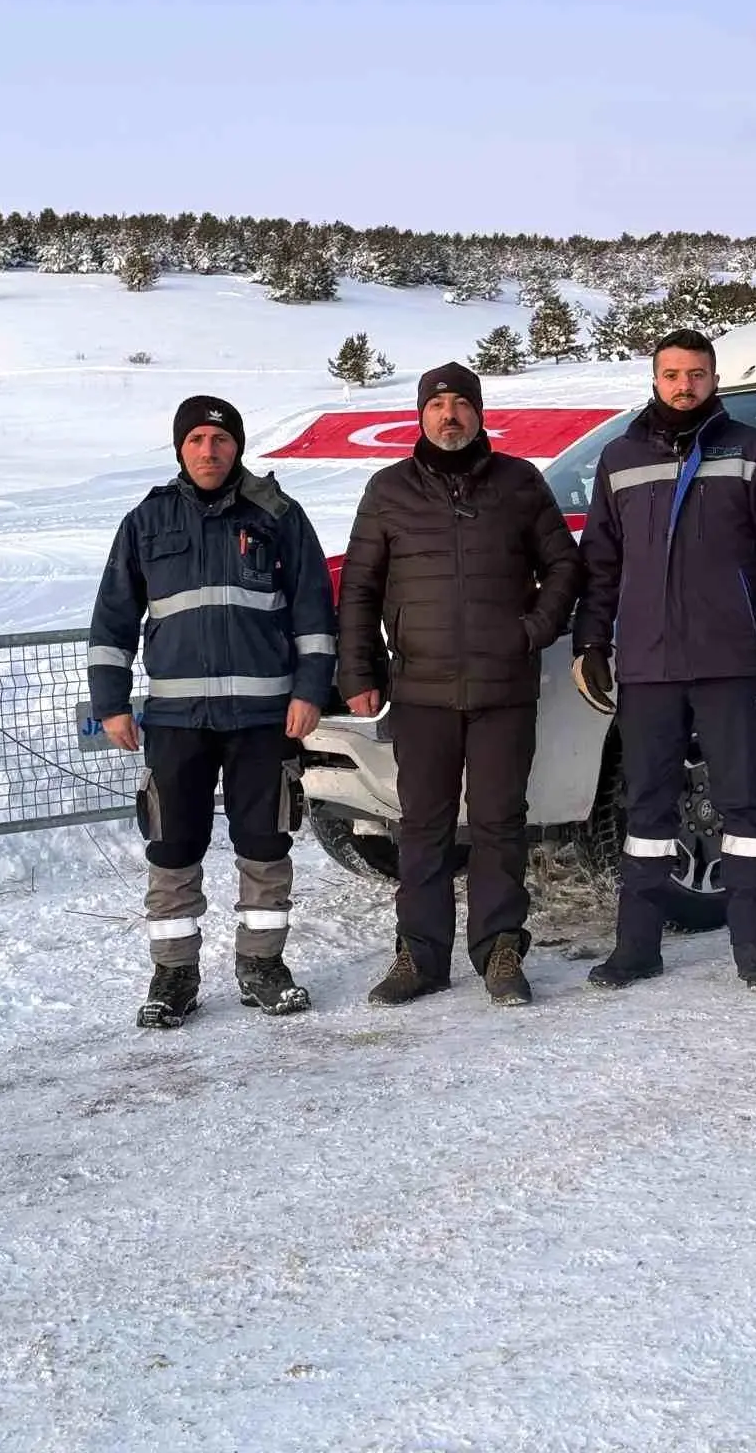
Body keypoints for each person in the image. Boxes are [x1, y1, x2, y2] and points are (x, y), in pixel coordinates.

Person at [571, 328, 756, 992]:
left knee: (744, 808)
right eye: (673, 374)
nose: (685, 386)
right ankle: (637, 948)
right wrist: (589, 641)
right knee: (647, 809)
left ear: (715, 379)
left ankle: (755, 951)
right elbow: (600, 561)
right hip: (647, 667)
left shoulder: (753, 452)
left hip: (728, 661)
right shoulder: (619, 458)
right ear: (655, 380)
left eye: (697, 374)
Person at [88, 395, 337, 1028]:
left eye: (220, 440)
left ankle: (262, 963)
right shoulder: (147, 521)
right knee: (172, 845)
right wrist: (111, 704)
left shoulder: (278, 515)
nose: (209, 450)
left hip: (263, 720)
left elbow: (313, 612)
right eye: (197, 439)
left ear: (238, 447)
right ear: (180, 447)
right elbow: (113, 619)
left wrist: (310, 690)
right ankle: (174, 974)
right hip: (175, 721)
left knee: (264, 841)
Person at [337, 362, 580, 1007]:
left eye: (461, 404)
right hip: (420, 690)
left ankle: (500, 949)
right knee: (422, 826)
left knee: (501, 821)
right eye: (437, 404)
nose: (449, 415)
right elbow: (360, 588)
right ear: (420, 415)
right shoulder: (388, 490)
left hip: (504, 688)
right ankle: (420, 956)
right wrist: (357, 672)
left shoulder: (519, 483)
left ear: (479, 412)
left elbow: (564, 565)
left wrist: (533, 630)